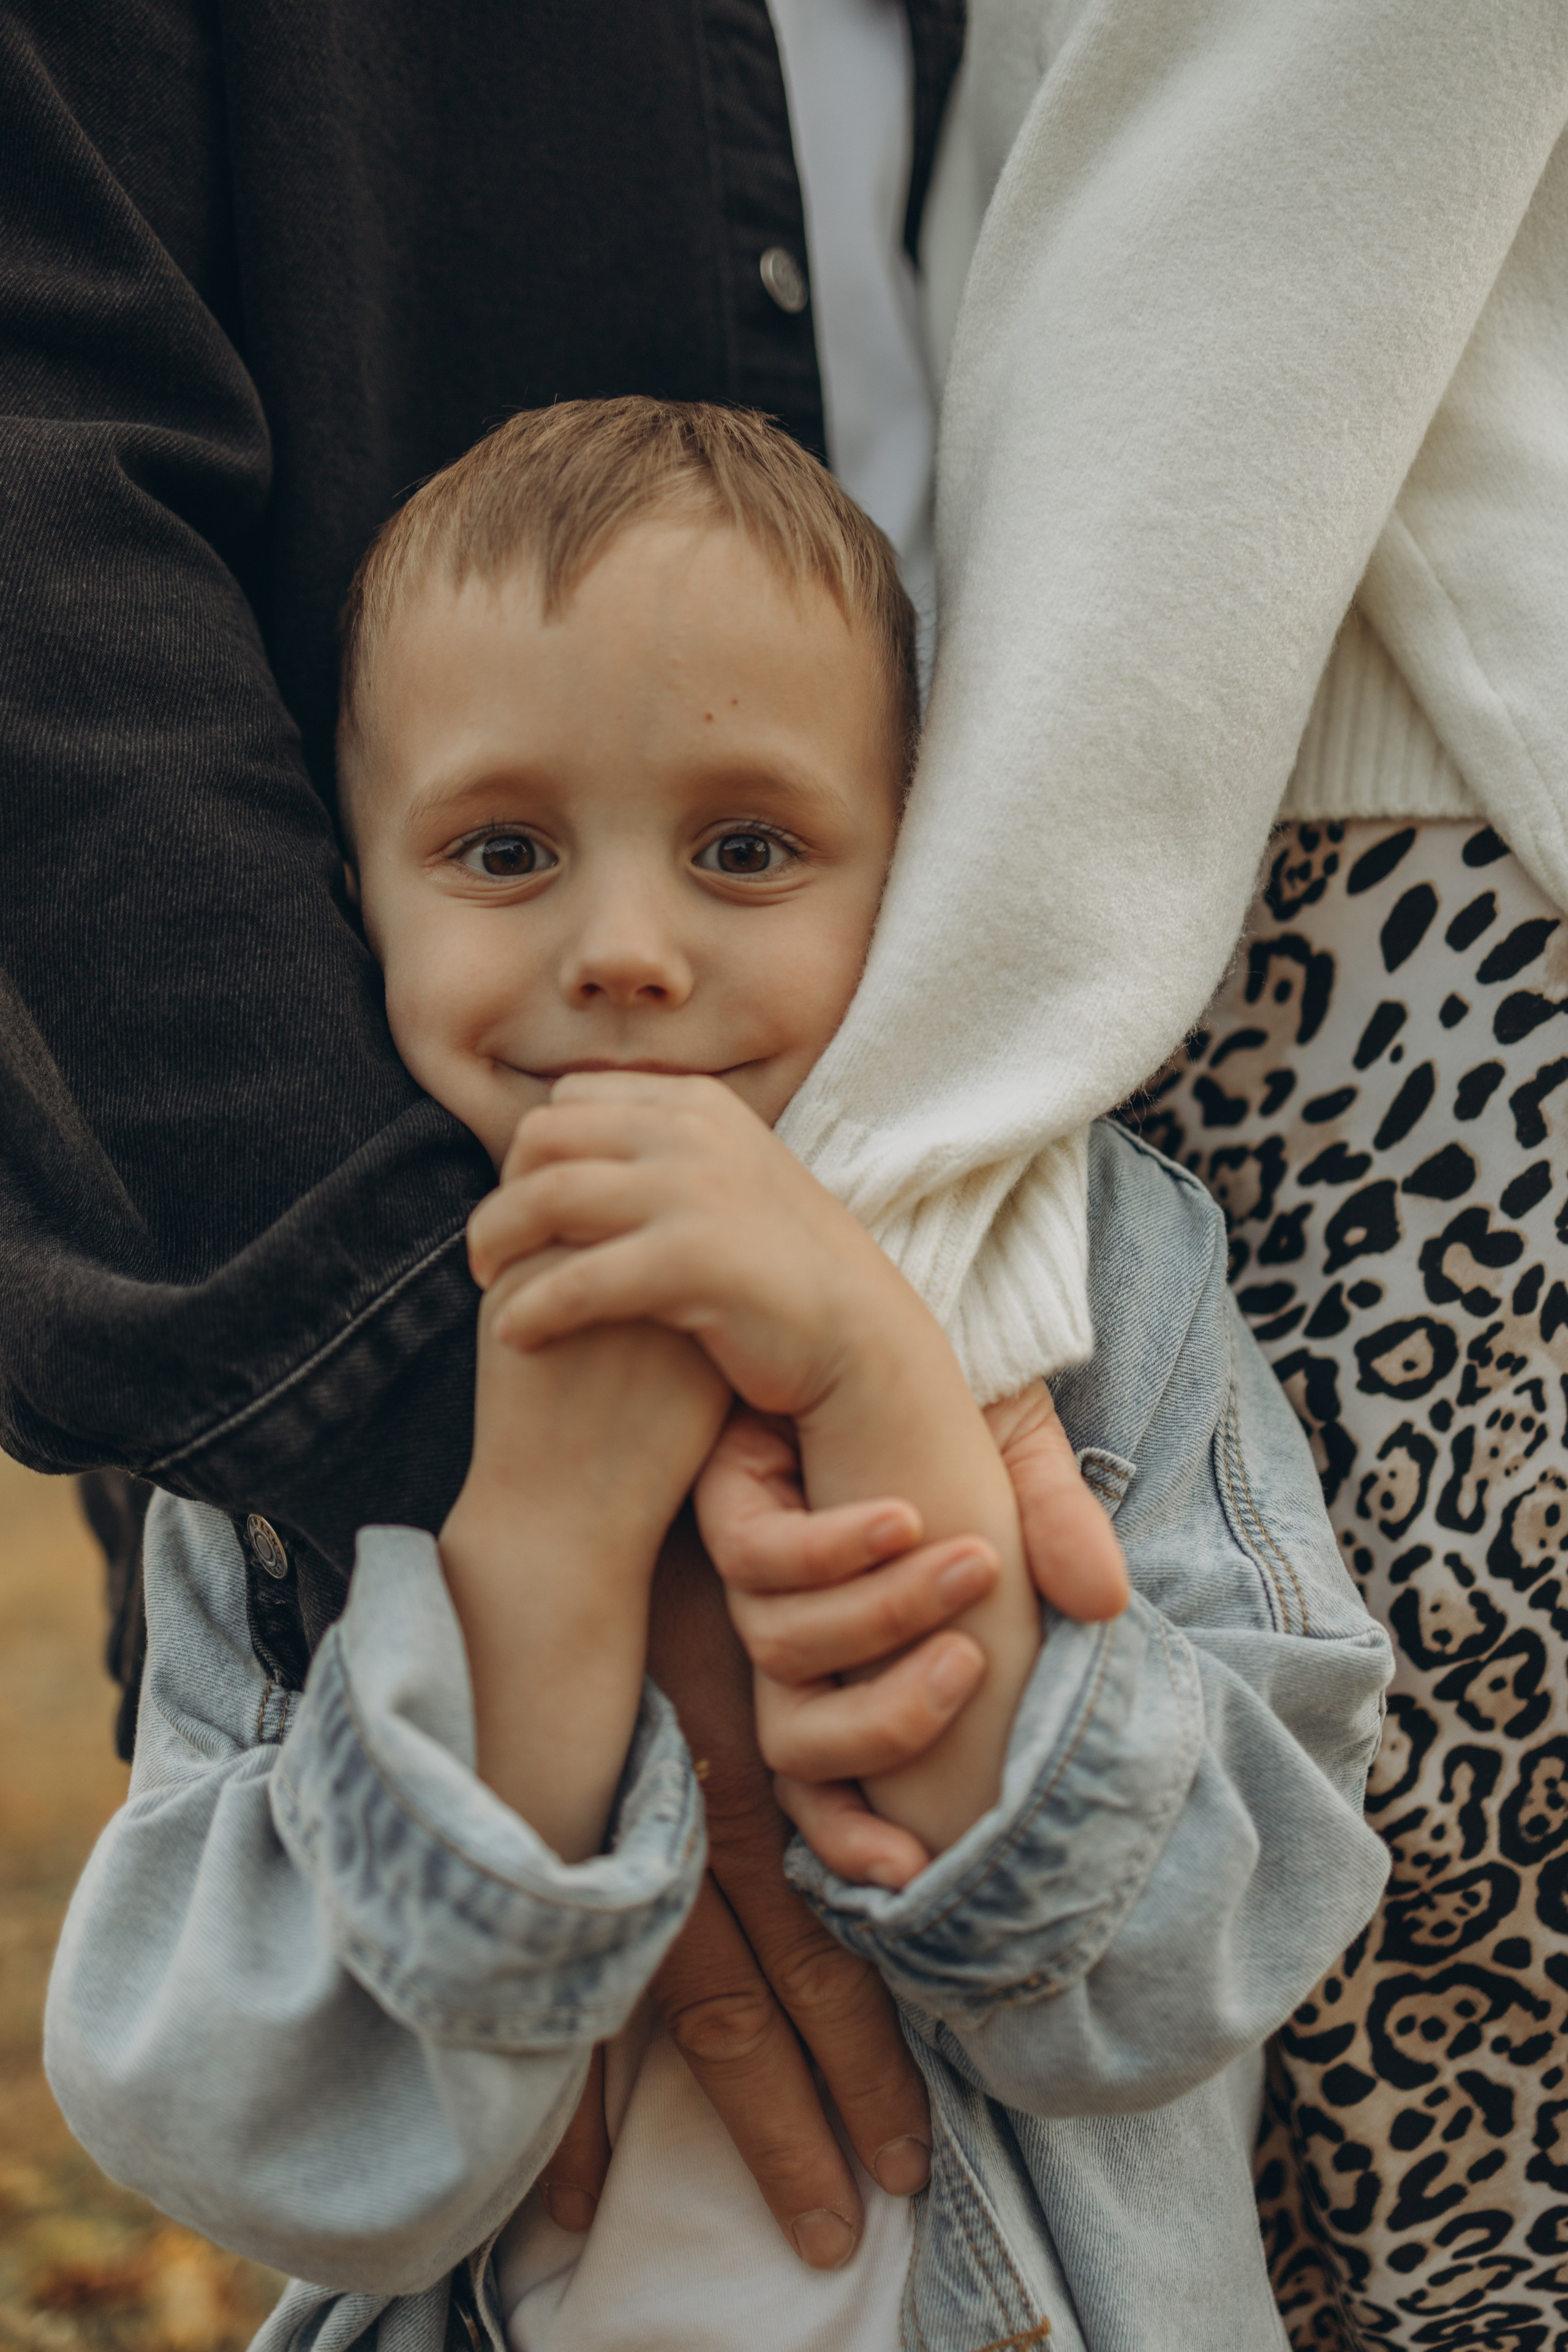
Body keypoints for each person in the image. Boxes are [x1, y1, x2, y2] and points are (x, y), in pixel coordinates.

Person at [45, 400, 1393, 2352]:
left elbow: (1185, 1972)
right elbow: (249, 2137)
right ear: (357, 896)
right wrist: (548, 1551)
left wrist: (887, 1386)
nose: (625, 951)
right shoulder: (301, 1386)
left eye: (747, 848)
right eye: (501, 849)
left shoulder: (1096, 1266)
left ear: (916, 874)